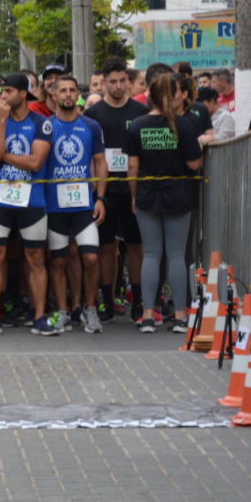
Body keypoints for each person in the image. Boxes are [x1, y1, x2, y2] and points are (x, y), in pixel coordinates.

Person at [0, 72, 55, 336]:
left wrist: (5, 156)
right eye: (2, 91)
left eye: (8, 91)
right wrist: (0, 121)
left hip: (32, 199)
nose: (3, 96)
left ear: (23, 93)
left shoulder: (41, 123)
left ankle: (40, 315)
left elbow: (35, 163)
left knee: (35, 257)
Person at [125, 73, 203, 334]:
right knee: (176, 255)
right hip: (179, 195)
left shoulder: (137, 125)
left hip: (147, 194)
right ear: (173, 95)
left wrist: (135, 196)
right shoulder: (184, 125)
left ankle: (148, 315)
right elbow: (194, 164)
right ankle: (181, 316)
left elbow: (132, 167)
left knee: (150, 254)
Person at [84, 56, 148, 323]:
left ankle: (138, 299)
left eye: (123, 81)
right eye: (113, 82)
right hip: (105, 191)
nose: (119, 86)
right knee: (106, 248)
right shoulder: (93, 115)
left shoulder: (140, 112)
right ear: (104, 84)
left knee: (136, 246)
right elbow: (89, 156)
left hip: (133, 188)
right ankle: (107, 300)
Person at [44, 75, 107, 334]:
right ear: (54, 95)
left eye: (72, 90)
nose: (68, 95)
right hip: (54, 206)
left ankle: (89, 308)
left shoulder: (91, 126)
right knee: (58, 262)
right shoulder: (45, 126)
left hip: (84, 205)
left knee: (90, 257)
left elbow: (101, 162)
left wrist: (101, 197)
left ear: (78, 95)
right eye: (63, 91)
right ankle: (63, 310)